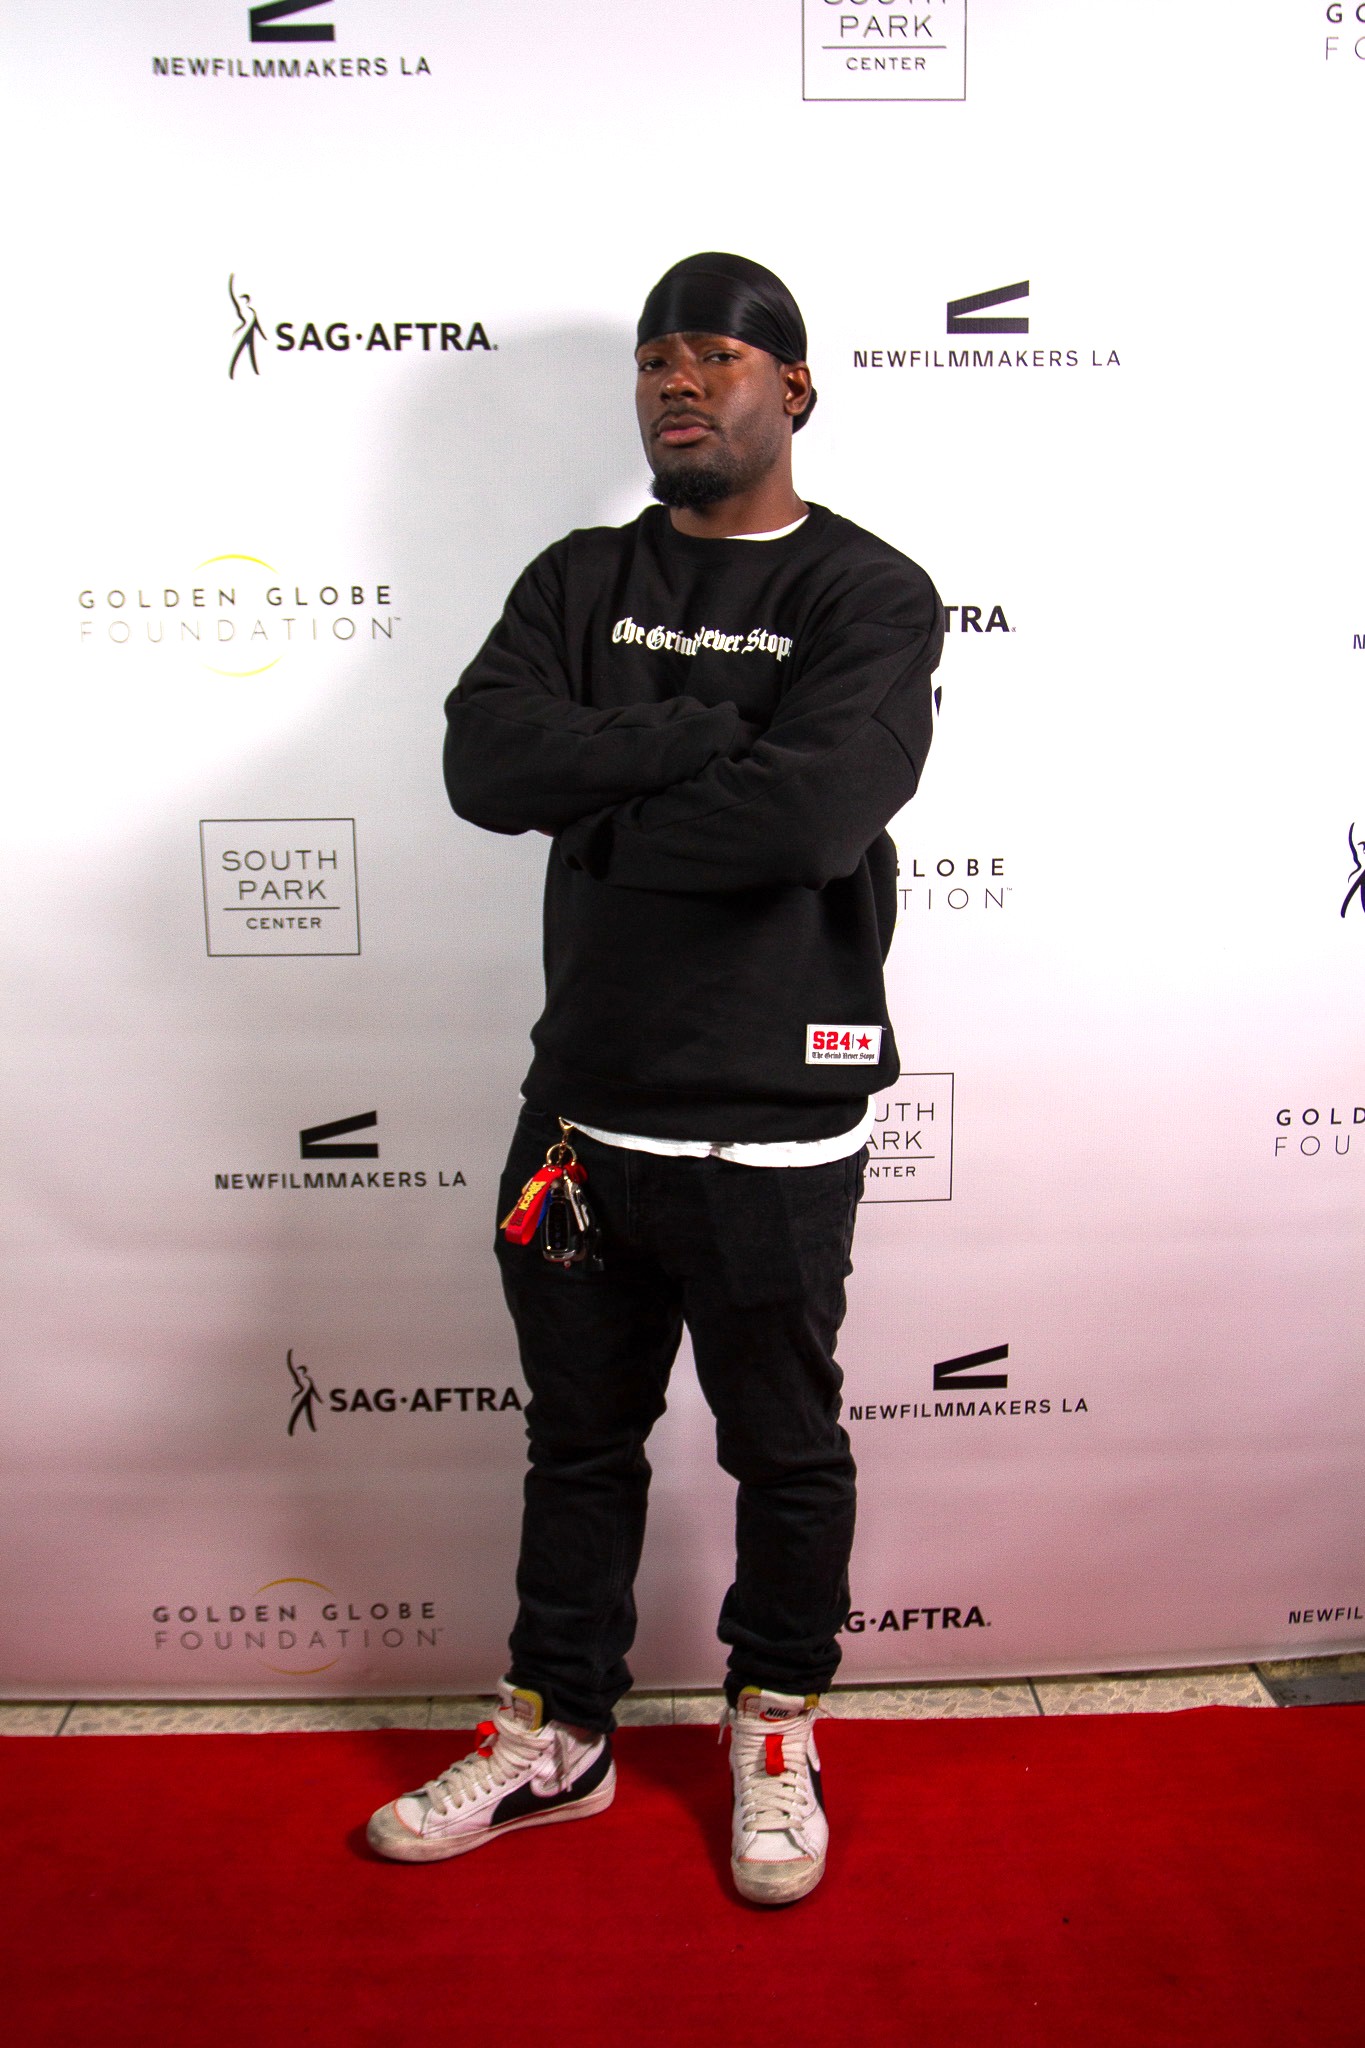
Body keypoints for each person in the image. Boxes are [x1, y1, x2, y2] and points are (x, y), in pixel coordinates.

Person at [367, 252, 944, 1905]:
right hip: (582, 1114)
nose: (675, 383)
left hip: (771, 1125)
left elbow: (809, 819)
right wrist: (703, 733)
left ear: (793, 387)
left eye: (712, 356)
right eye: (652, 361)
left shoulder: (867, 593)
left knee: (785, 1451)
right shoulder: (579, 575)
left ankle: (773, 1725)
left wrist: (602, 808)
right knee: (576, 1445)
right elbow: (485, 761)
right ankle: (558, 1732)